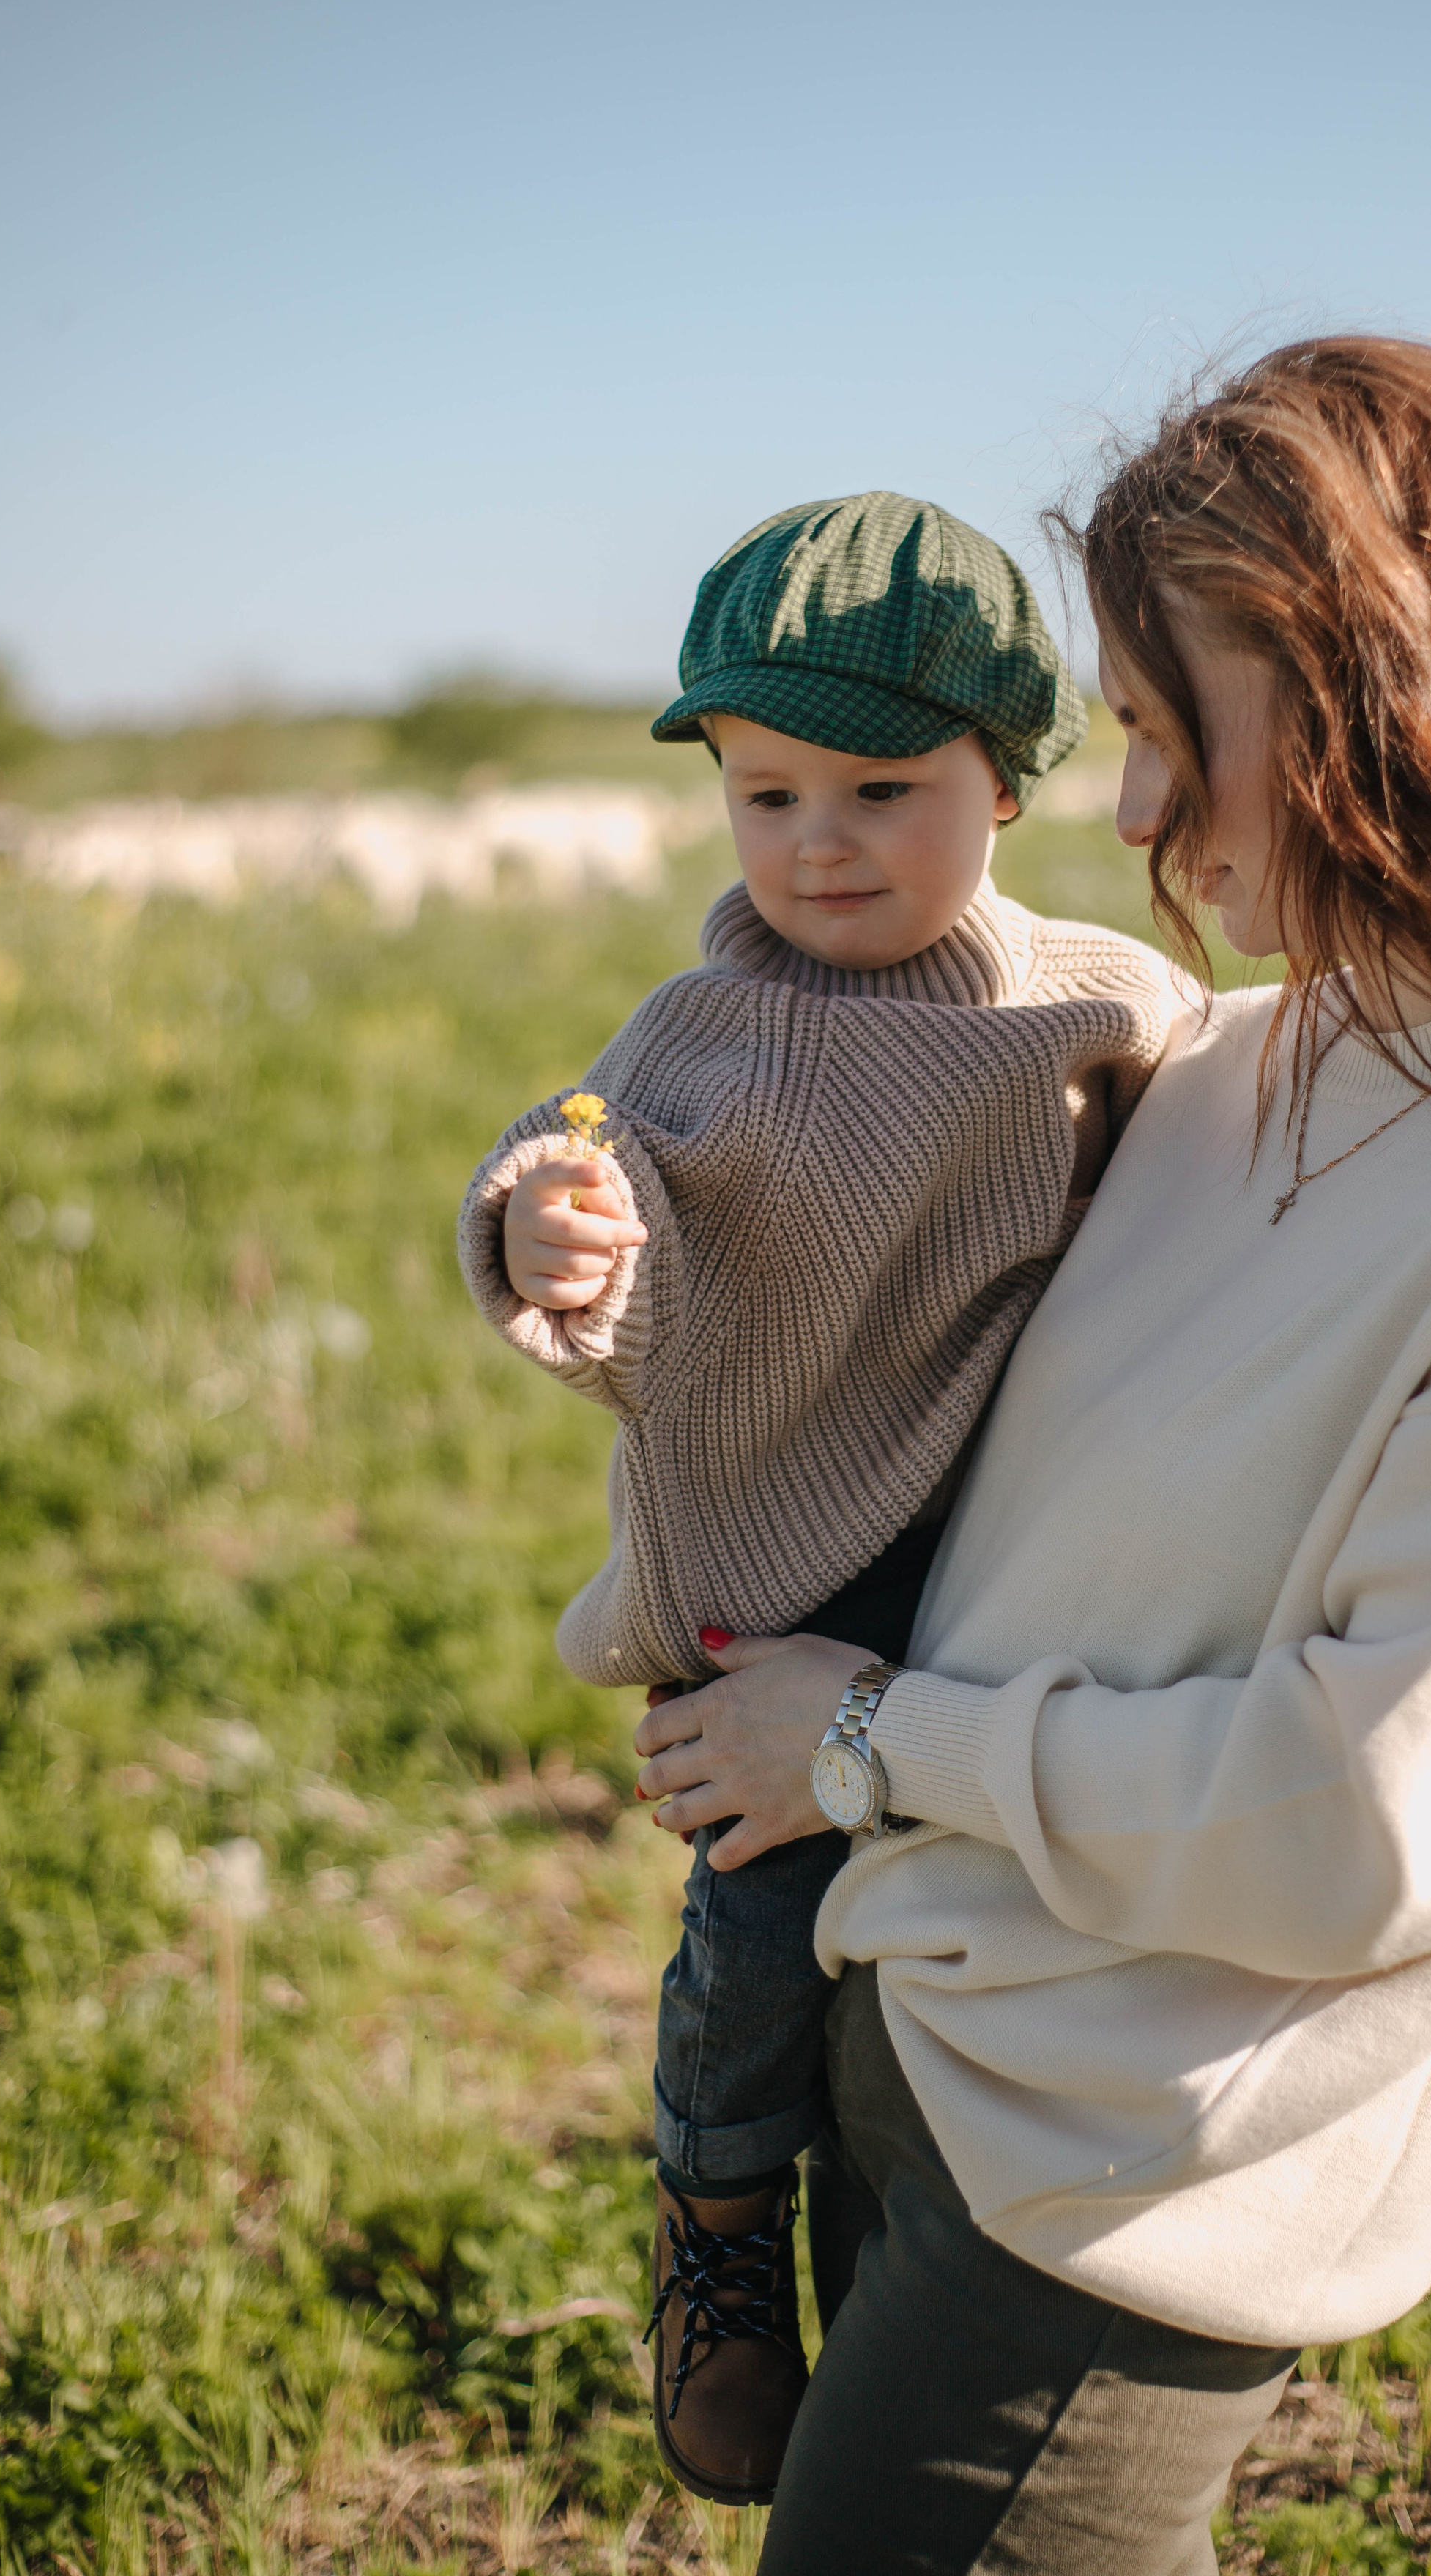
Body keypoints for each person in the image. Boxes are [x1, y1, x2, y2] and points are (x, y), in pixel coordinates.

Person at [633, 337, 1431, 2576]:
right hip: (922, 2043)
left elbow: (1379, 1812)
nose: (1127, 809)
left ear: (1382, 699)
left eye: (1171, 727)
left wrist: (873, 1740)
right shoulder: (1226, 1062)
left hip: (1122, 2187)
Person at [456, 491, 1177, 2504]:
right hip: (782, 1572)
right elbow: (586, 1178)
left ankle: (950, 2239)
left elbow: (1201, 1187)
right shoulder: (704, 1029)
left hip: (1022, 1553)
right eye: (765, 796)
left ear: (1005, 782)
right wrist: (552, 1237)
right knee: (762, 1932)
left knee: (973, 1943)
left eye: (880, 790)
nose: (818, 845)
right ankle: (714, 2221)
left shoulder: (1101, 1006)